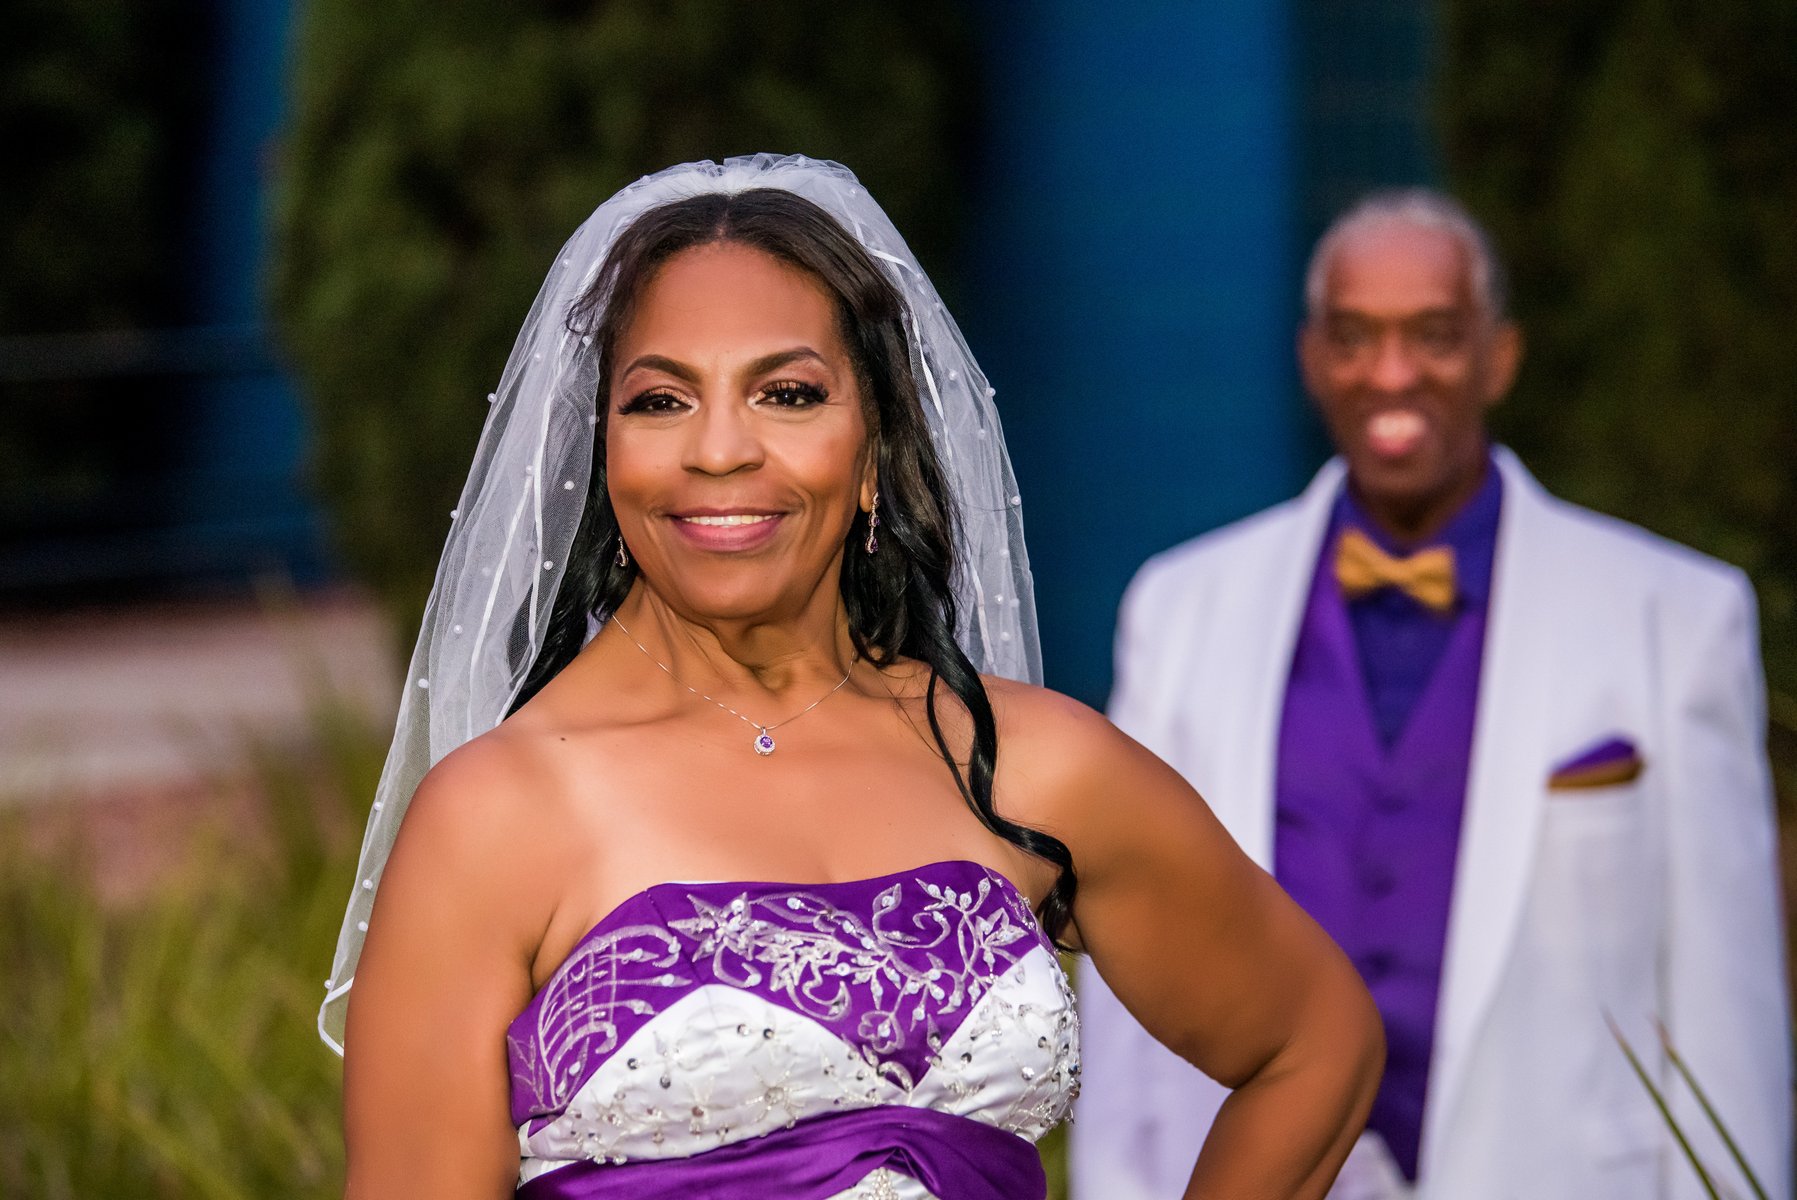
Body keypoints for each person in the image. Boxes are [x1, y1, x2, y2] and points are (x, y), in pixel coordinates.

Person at [320, 155, 1382, 1200]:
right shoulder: (498, 814)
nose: (719, 449)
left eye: (786, 393)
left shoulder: (1032, 765)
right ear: (605, 452)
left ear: (874, 448)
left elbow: (1314, 1044)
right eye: (661, 400)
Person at [1073, 188, 1793, 1200]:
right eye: (1354, 337)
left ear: (1499, 356)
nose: (1391, 373)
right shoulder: (1180, 608)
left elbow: (1724, 1007)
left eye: (1435, 336)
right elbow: (1125, 981)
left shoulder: (1676, 616)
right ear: (1312, 359)